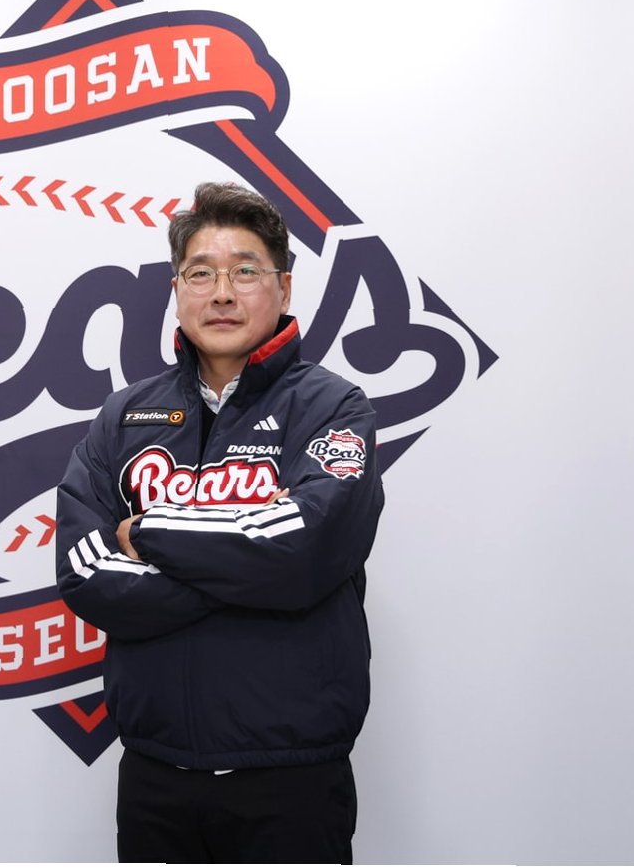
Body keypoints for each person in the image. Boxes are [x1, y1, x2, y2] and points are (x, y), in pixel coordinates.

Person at [55, 181, 385, 863]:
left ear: (283, 288)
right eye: (201, 273)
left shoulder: (333, 408)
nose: (223, 293)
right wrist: (248, 564)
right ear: (177, 290)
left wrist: (145, 534)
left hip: (291, 780)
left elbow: (305, 550)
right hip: (155, 777)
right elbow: (84, 571)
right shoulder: (124, 417)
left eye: (245, 271)